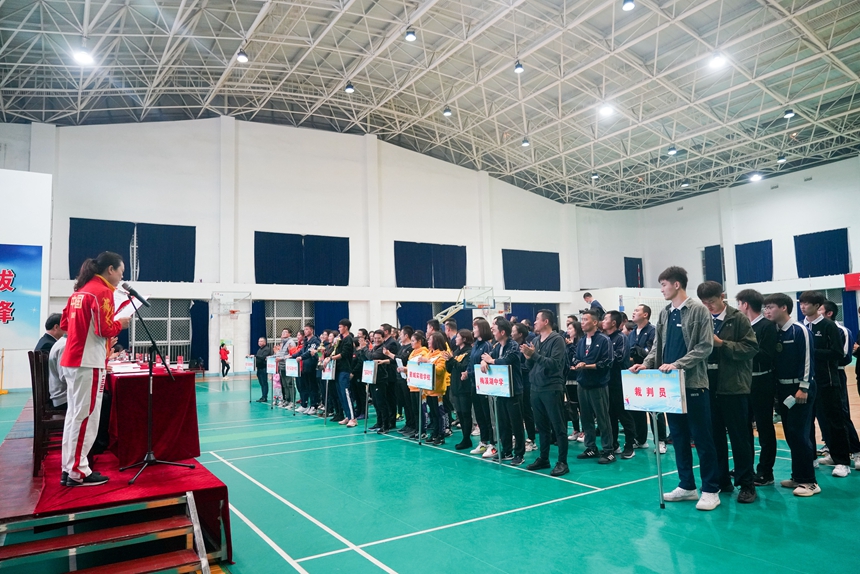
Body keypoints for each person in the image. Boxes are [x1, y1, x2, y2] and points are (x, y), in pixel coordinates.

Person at [630, 266, 720, 511]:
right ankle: (687, 485)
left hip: (693, 384)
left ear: (676, 284)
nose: (661, 289)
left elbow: (704, 347)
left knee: (702, 438)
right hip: (670, 386)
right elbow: (657, 346)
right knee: (678, 437)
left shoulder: (699, 310)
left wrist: (678, 364)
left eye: (663, 285)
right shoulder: (665, 313)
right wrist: (646, 364)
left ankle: (711, 489)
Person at [59, 252, 130, 487]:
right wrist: (121, 323)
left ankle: (69, 466)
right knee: (86, 417)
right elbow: (104, 328)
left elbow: (64, 324)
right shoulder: (103, 291)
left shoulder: (79, 292)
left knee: (74, 416)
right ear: (110, 269)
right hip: (88, 361)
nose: (121, 278)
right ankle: (78, 471)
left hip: (73, 360)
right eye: (121, 272)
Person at [697, 281, 759, 504]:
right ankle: (721, 480)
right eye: (704, 303)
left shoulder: (738, 318)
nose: (709, 306)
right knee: (714, 438)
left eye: (712, 302)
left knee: (739, 438)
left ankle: (747, 484)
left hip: (733, 387)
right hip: (708, 385)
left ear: (722, 296)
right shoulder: (702, 318)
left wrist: (722, 344)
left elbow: (751, 348)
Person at [762, 293, 819, 496]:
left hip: (799, 390)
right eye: (765, 308)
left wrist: (803, 387)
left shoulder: (799, 330)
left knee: (800, 434)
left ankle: (810, 482)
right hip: (783, 390)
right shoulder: (775, 332)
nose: (767, 311)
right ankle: (798, 476)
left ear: (784, 308)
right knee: (791, 434)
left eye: (770, 307)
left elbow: (808, 360)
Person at [798, 291, 852, 477]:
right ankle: (811, 457)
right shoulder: (801, 327)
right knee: (807, 423)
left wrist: (811, 351)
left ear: (817, 306)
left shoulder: (829, 326)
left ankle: (842, 461)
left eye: (807, 303)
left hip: (827, 381)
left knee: (834, 422)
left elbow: (837, 353)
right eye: (801, 303)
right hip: (806, 383)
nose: (803, 307)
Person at [735, 289, 780, 486]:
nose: (738, 308)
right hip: (743, 383)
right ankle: (745, 468)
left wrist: (743, 349)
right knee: (744, 429)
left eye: (739, 304)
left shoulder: (767, 326)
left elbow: (767, 355)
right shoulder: (742, 326)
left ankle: (766, 472)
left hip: (762, 382)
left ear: (745, 304)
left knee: (764, 427)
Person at [523, 309, 569, 477]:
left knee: (558, 427)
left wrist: (534, 355)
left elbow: (555, 364)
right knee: (541, 426)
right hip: (536, 388)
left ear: (546, 322)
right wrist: (528, 358)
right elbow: (530, 366)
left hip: (551, 387)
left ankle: (562, 462)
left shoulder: (557, 340)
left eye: (537, 319)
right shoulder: (535, 340)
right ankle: (544, 458)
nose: (534, 322)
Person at [819, 300, 860, 469]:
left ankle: (856, 452)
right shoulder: (813, 329)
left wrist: (821, 357)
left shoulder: (842, 331)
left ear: (829, 313)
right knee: (823, 415)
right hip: (819, 376)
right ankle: (833, 450)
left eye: (820, 309)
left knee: (841, 414)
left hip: (836, 375)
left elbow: (845, 357)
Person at [572, 309, 615, 464]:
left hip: (598, 385)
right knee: (586, 418)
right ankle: (590, 447)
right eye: (582, 319)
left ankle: (608, 450)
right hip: (582, 384)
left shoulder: (604, 340)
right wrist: (578, 363)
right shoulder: (582, 341)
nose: (582, 322)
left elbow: (608, 362)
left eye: (585, 320)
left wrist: (587, 365)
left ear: (595, 322)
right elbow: (575, 357)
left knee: (603, 418)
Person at [481, 318, 525, 466]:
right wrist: (484, 361)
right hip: (500, 390)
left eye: (494, 330)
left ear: (502, 332)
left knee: (516, 424)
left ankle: (519, 453)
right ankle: (506, 450)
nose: (493, 332)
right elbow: (487, 356)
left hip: (513, 390)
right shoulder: (497, 346)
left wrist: (491, 361)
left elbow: (507, 360)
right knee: (503, 423)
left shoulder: (513, 345)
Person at [628, 304, 665, 453]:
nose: (634, 312)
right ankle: (641, 439)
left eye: (637, 310)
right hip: (635, 375)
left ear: (645, 315)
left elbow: (650, 352)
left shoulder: (652, 331)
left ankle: (660, 441)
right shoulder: (631, 333)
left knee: (655, 409)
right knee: (637, 408)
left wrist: (637, 350)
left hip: (651, 375)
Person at [602, 310, 638, 460]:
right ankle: (614, 444)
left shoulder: (621, 338)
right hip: (606, 383)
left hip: (619, 383)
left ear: (613, 323)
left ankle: (630, 445)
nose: (603, 321)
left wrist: (601, 360)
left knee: (624, 415)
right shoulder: (604, 338)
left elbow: (619, 357)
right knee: (610, 415)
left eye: (605, 319)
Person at [415, 332, 451, 445]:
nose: (428, 342)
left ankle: (441, 435)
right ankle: (435, 433)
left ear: (436, 341)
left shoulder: (442, 355)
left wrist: (427, 362)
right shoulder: (429, 354)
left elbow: (440, 370)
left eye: (430, 340)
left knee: (440, 413)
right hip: (428, 389)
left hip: (438, 389)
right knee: (433, 414)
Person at [468, 318, 495, 455]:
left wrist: (471, 372)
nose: (473, 330)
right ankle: (483, 441)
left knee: (487, 415)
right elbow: (471, 362)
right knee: (479, 414)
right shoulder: (475, 345)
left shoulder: (487, 346)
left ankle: (492, 443)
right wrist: (467, 372)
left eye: (475, 327)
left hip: (484, 385)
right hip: (475, 384)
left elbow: (486, 365)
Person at [325, 319, 357, 427]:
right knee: (341, 394)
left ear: (346, 327)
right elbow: (335, 351)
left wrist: (331, 358)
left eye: (340, 327)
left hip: (344, 369)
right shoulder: (340, 339)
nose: (339, 329)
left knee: (346, 394)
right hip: (337, 369)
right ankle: (347, 416)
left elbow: (344, 354)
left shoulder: (348, 339)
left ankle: (353, 418)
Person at [446, 329, 474, 450]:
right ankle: (464, 437)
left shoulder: (469, 352)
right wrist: (448, 360)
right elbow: (450, 369)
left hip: (464, 387)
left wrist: (452, 360)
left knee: (465, 413)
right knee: (460, 414)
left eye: (458, 337)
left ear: (464, 339)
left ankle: (467, 438)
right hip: (455, 386)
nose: (456, 339)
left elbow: (463, 367)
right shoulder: (456, 351)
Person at [512, 323, 537, 451]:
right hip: (515, 382)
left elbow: (528, 366)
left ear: (520, 334)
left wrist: (515, 368)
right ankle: (517, 437)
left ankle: (531, 439)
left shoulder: (526, 347)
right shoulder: (512, 347)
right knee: (517, 412)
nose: (511, 333)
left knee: (527, 410)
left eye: (513, 331)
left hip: (525, 383)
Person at [400, 330, 430, 438]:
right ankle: (417, 429)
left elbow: (419, 368)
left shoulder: (424, 353)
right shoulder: (412, 353)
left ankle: (423, 431)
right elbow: (410, 367)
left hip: (420, 385)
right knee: (415, 410)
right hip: (411, 385)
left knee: (421, 410)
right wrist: (404, 369)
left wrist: (406, 369)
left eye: (413, 341)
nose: (411, 343)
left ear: (419, 341)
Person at [393, 326, 417, 435]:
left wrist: (389, 354)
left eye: (401, 334)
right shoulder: (401, 347)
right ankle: (408, 423)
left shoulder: (410, 348)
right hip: (400, 377)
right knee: (405, 403)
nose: (400, 336)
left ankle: (413, 424)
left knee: (409, 403)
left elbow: (402, 358)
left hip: (407, 379)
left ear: (406, 335)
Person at [369, 330, 393, 434]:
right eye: (375, 338)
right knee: (375, 402)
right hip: (373, 378)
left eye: (379, 338)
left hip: (381, 379)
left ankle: (385, 425)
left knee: (381, 403)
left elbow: (371, 356)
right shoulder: (374, 348)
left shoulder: (383, 348)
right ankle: (379, 422)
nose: (377, 340)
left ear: (383, 338)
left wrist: (365, 349)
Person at [296, 323, 321, 414]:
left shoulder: (315, 341)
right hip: (305, 368)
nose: (305, 331)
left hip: (312, 367)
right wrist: (291, 356)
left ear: (311, 330)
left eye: (307, 329)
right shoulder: (306, 341)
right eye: (305, 329)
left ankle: (314, 406)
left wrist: (301, 357)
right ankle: (307, 405)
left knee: (313, 387)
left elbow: (310, 353)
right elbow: (301, 352)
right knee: (307, 387)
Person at [564, 321, 583, 443]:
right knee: (572, 405)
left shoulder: (580, 343)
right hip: (568, 377)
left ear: (576, 330)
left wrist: (571, 346)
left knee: (582, 406)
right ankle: (576, 430)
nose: (568, 331)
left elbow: (578, 357)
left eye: (570, 328)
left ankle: (584, 430)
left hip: (578, 377)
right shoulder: (566, 344)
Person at [47, 334, 69, 411]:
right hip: (63, 398)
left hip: (60, 396)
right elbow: (64, 377)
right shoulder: (65, 345)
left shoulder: (62, 342)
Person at [250, 337, 273, 402]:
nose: (259, 343)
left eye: (261, 341)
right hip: (259, 368)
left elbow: (263, 357)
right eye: (259, 341)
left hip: (264, 368)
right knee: (261, 383)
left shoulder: (267, 349)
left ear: (265, 342)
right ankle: (263, 396)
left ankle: (264, 396)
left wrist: (255, 356)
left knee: (264, 383)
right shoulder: (259, 349)